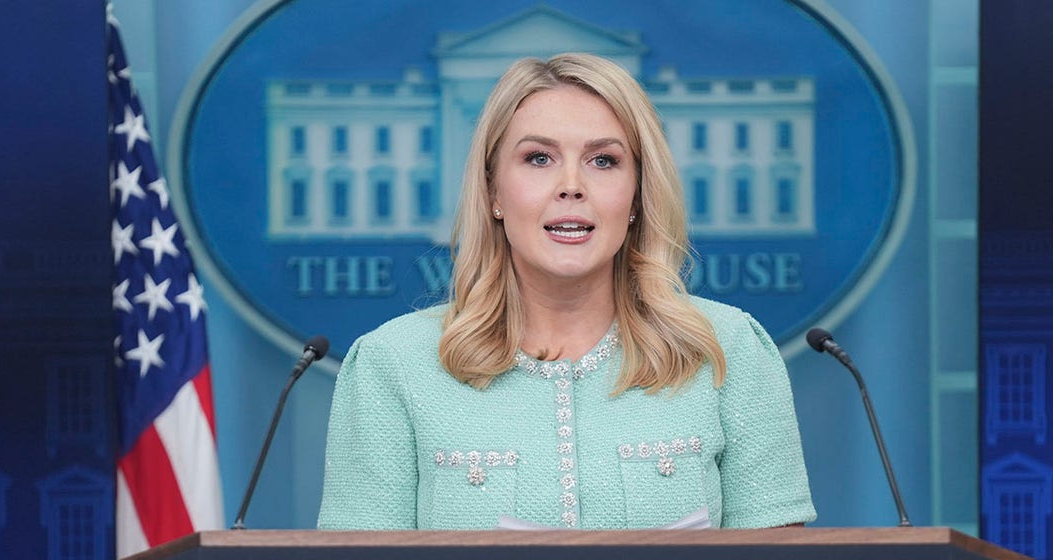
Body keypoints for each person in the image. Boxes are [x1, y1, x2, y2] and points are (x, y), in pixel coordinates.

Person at [318, 53, 815, 530]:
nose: (571, 185)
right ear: (493, 191)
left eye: (603, 161)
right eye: (538, 158)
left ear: (638, 193)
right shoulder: (393, 363)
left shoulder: (728, 348)